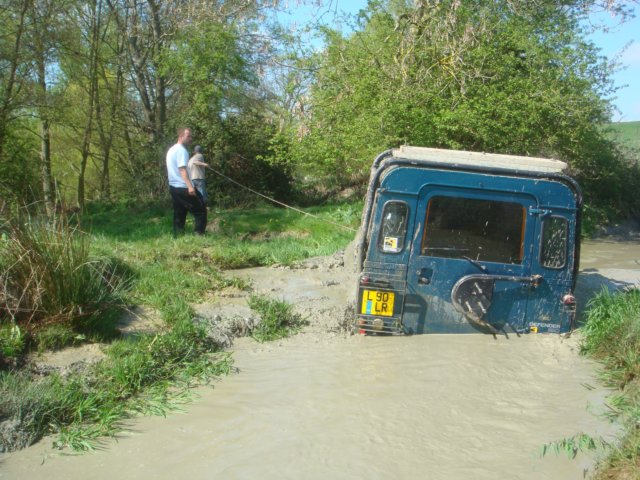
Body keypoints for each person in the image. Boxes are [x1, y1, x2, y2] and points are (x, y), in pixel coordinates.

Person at [166, 127, 207, 236]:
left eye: (191, 136)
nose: (191, 139)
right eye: (188, 136)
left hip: (173, 187)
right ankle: (199, 235)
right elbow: (182, 169)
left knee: (179, 212)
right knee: (201, 210)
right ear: (181, 136)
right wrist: (190, 187)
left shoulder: (171, 149)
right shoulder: (181, 150)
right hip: (183, 187)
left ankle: (178, 235)